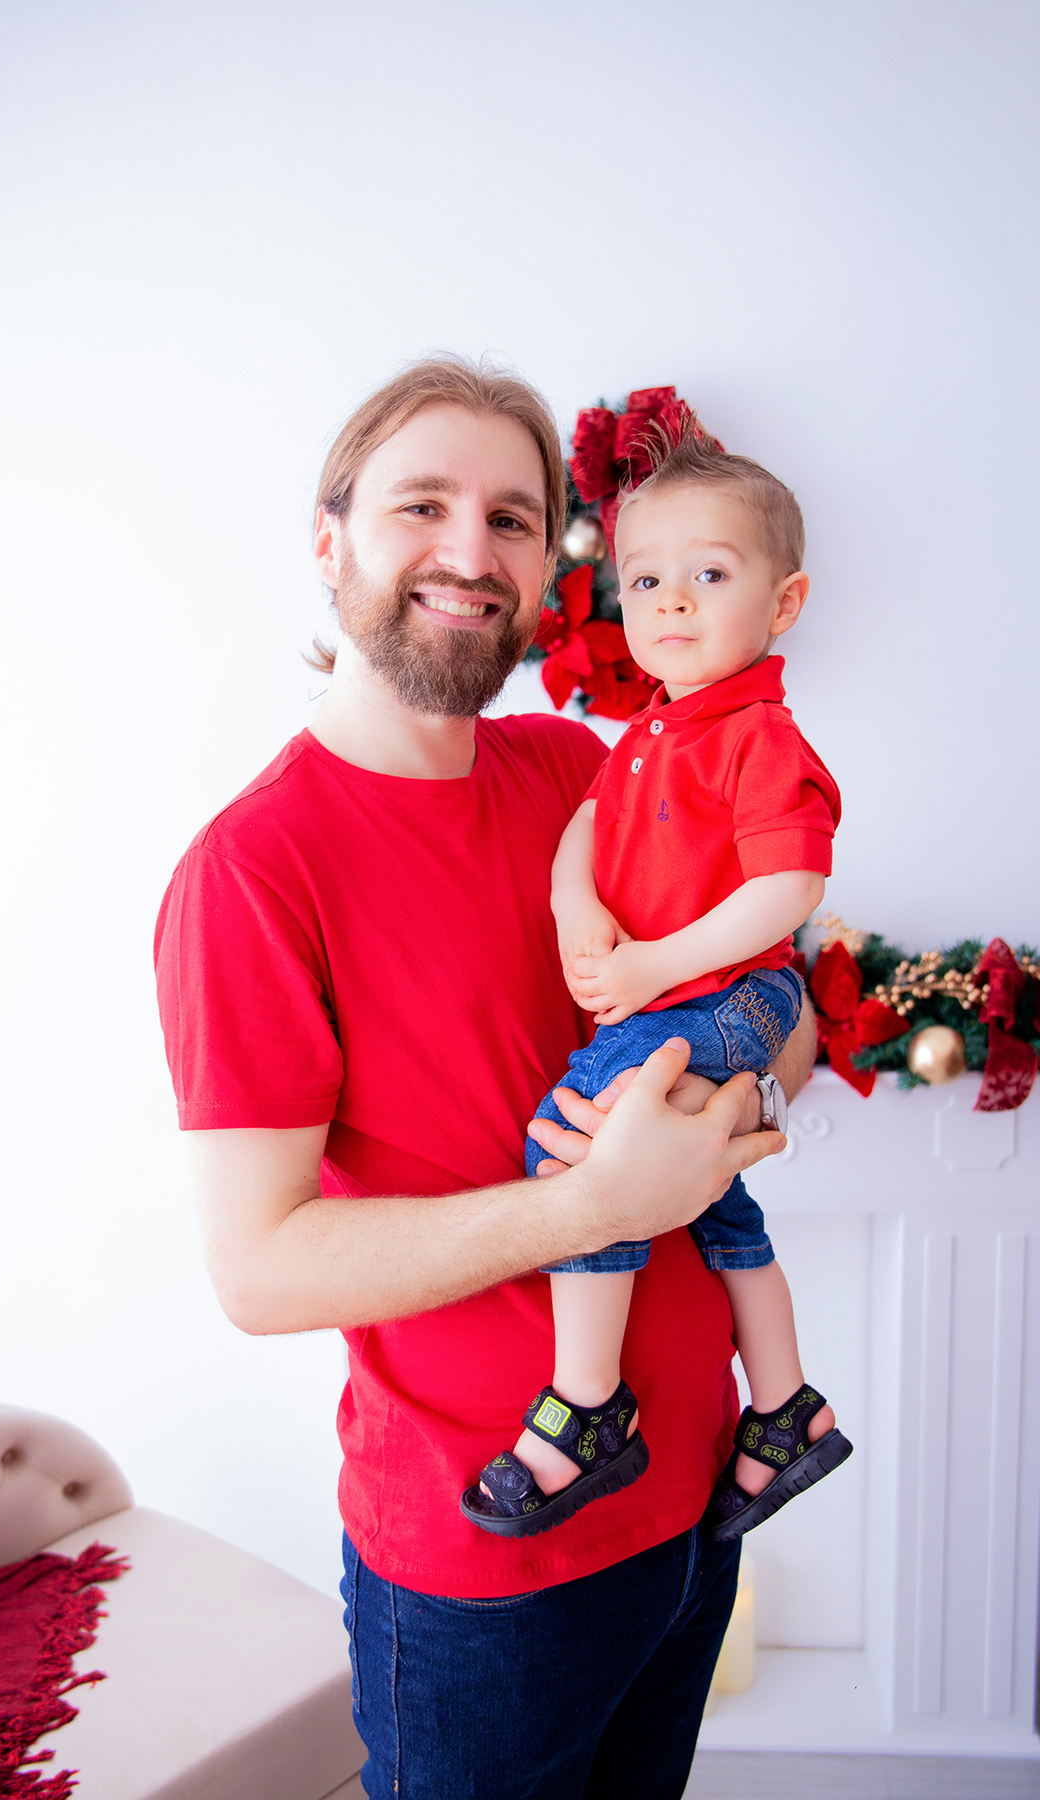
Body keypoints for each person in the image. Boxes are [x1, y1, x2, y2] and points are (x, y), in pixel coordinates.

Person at [154, 357, 817, 1800]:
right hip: (486, 1564)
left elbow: (792, 1009)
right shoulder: (253, 874)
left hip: (698, 1502)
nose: (471, 553)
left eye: (513, 519)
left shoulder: (587, 775)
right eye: (423, 506)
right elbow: (259, 1273)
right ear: (330, 541)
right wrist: (602, 1200)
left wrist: (742, 1096)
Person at [463, 425, 853, 1543]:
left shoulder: (759, 735)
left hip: (725, 997)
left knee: (577, 1141)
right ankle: (784, 1414)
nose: (670, 603)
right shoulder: (649, 733)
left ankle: (587, 1410)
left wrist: (646, 967)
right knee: (716, 1205)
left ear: (784, 605)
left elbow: (788, 890)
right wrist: (575, 910)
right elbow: (585, 830)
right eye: (645, 580)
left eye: (709, 576)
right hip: (691, 994)